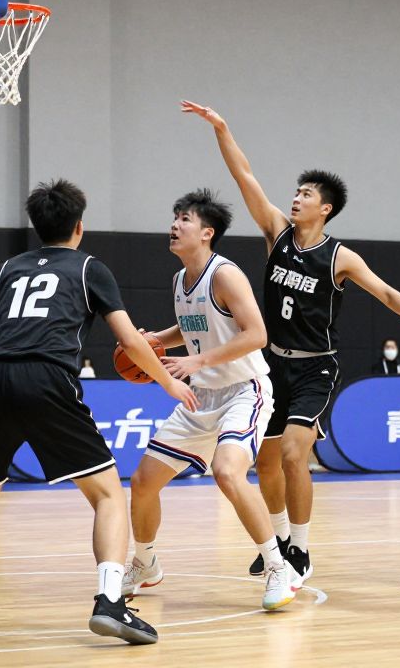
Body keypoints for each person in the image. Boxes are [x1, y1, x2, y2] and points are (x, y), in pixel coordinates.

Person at [0, 179, 197, 645]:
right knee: (107, 495)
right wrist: (168, 382)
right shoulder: (89, 268)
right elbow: (129, 340)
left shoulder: (5, 269)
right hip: (46, 378)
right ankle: (110, 603)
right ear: (79, 226)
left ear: (36, 226)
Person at [182, 100, 400, 581]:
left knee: (295, 454)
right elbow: (244, 176)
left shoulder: (340, 256)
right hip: (270, 365)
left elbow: (385, 293)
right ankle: (278, 538)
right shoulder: (276, 232)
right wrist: (221, 128)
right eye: (295, 192)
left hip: (315, 366)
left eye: (306, 194)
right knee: (265, 461)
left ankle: (300, 548)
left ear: (326, 209)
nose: (295, 199)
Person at [123, 189, 298, 611]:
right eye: (174, 217)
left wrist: (196, 360)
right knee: (143, 482)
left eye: (184, 219)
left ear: (207, 232)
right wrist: (154, 341)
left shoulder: (225, 274)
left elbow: (257, 334)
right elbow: (193, 326)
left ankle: (279, 567)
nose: (174, 225)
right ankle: (145, 563)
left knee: (227, 472)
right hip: (201, 396)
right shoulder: (180, 279)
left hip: (244, 390)